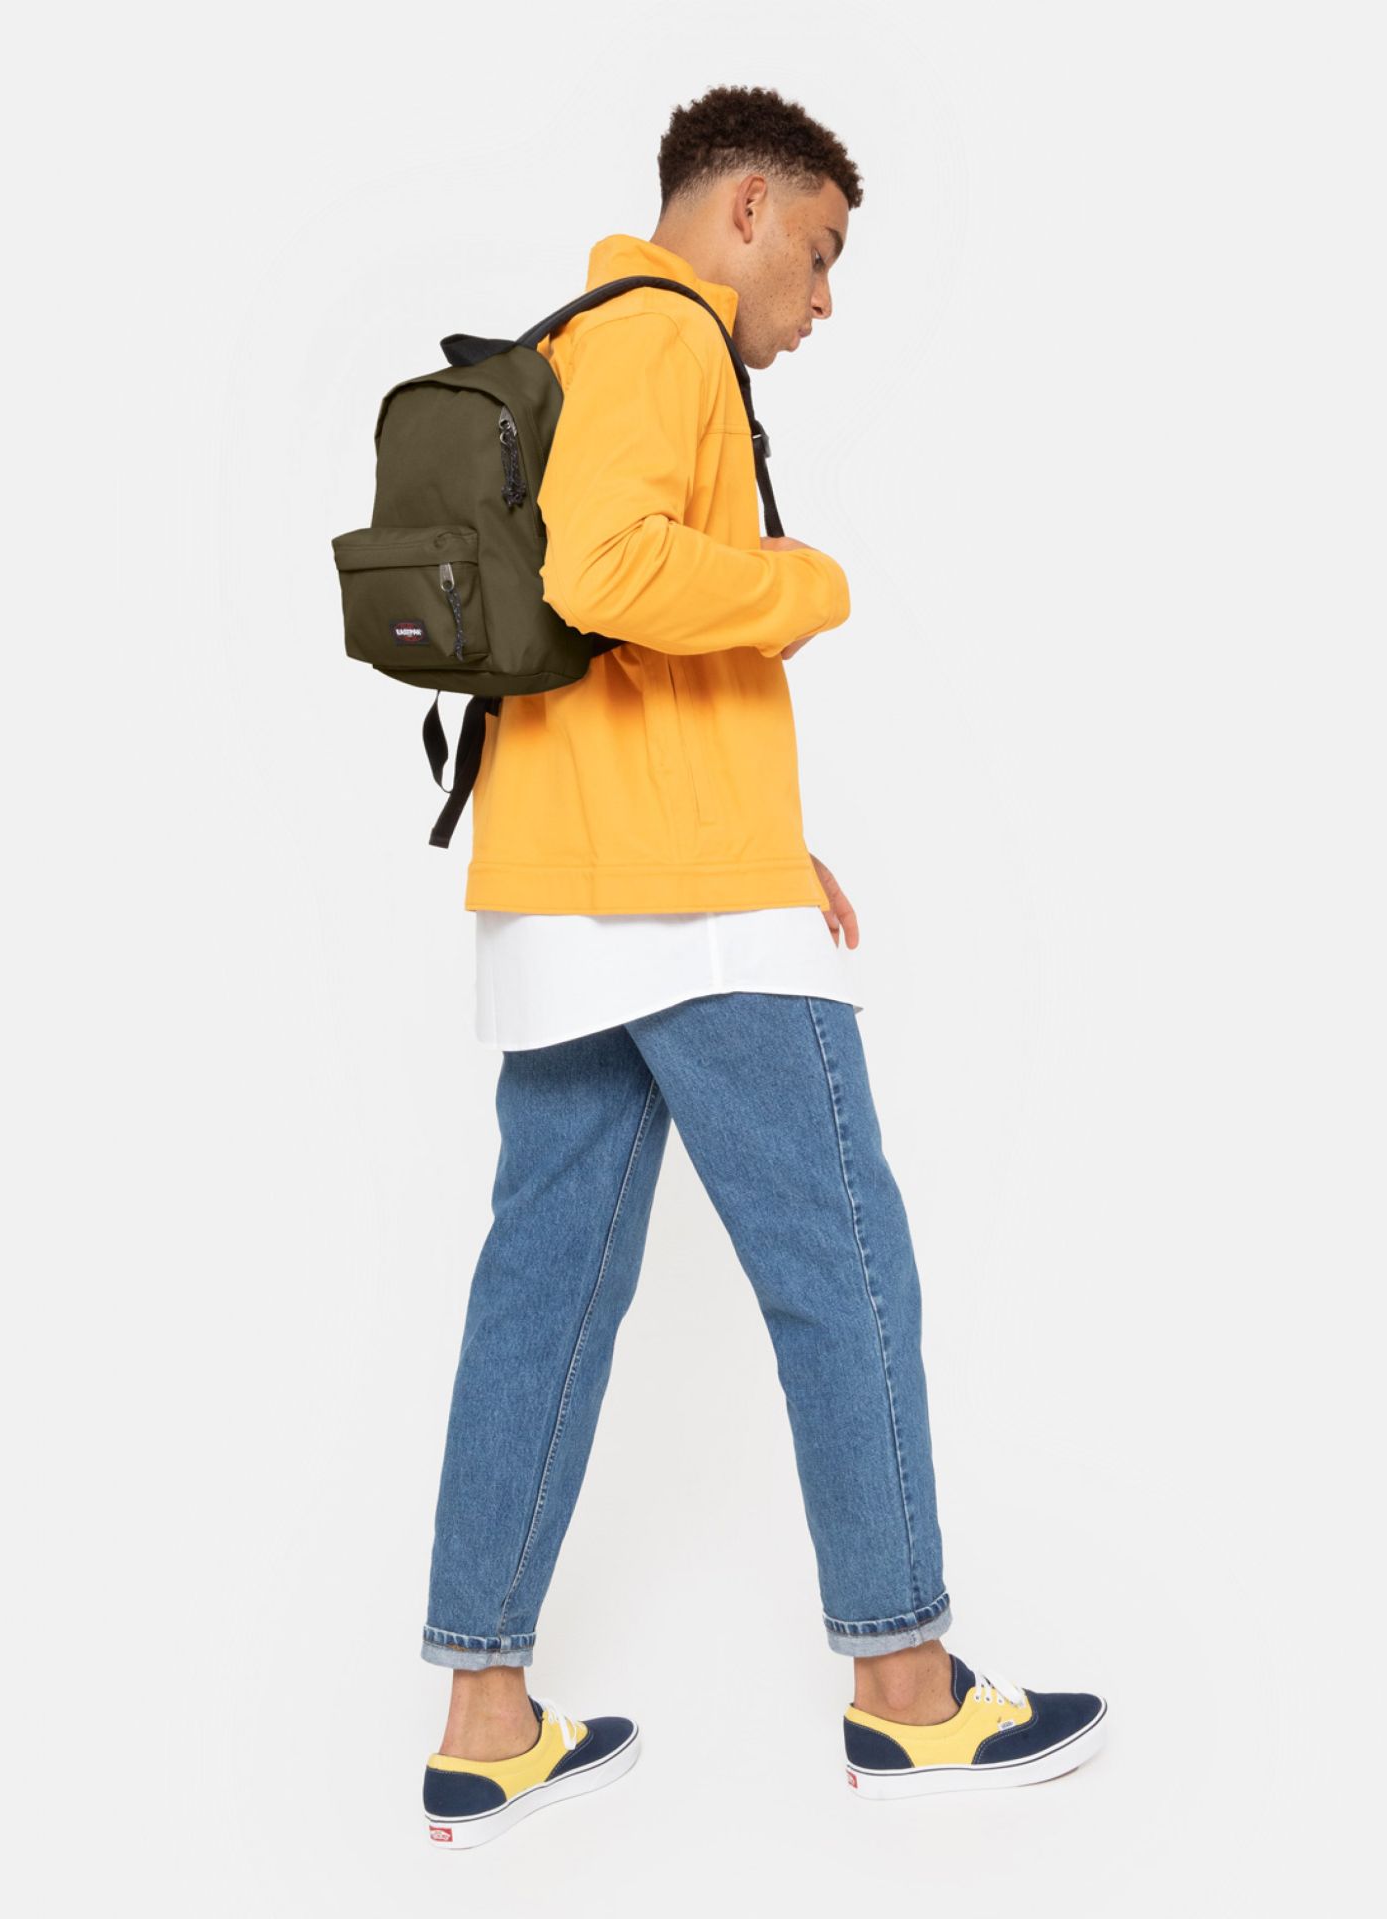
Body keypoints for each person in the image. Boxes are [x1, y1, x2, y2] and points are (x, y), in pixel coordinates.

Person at [419, 85, 1107, 1851]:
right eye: (817, 250)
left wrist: (764, 830)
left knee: (544, 1290)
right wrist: (802, 585)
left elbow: (601, 651)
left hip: (572, 887)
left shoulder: (579, 340)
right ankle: (909, 1692)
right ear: (743, 210)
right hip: (683, 907)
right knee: (844, 1263)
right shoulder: (662, 334)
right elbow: (608, 568)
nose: (821, 297)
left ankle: (484, 1723)